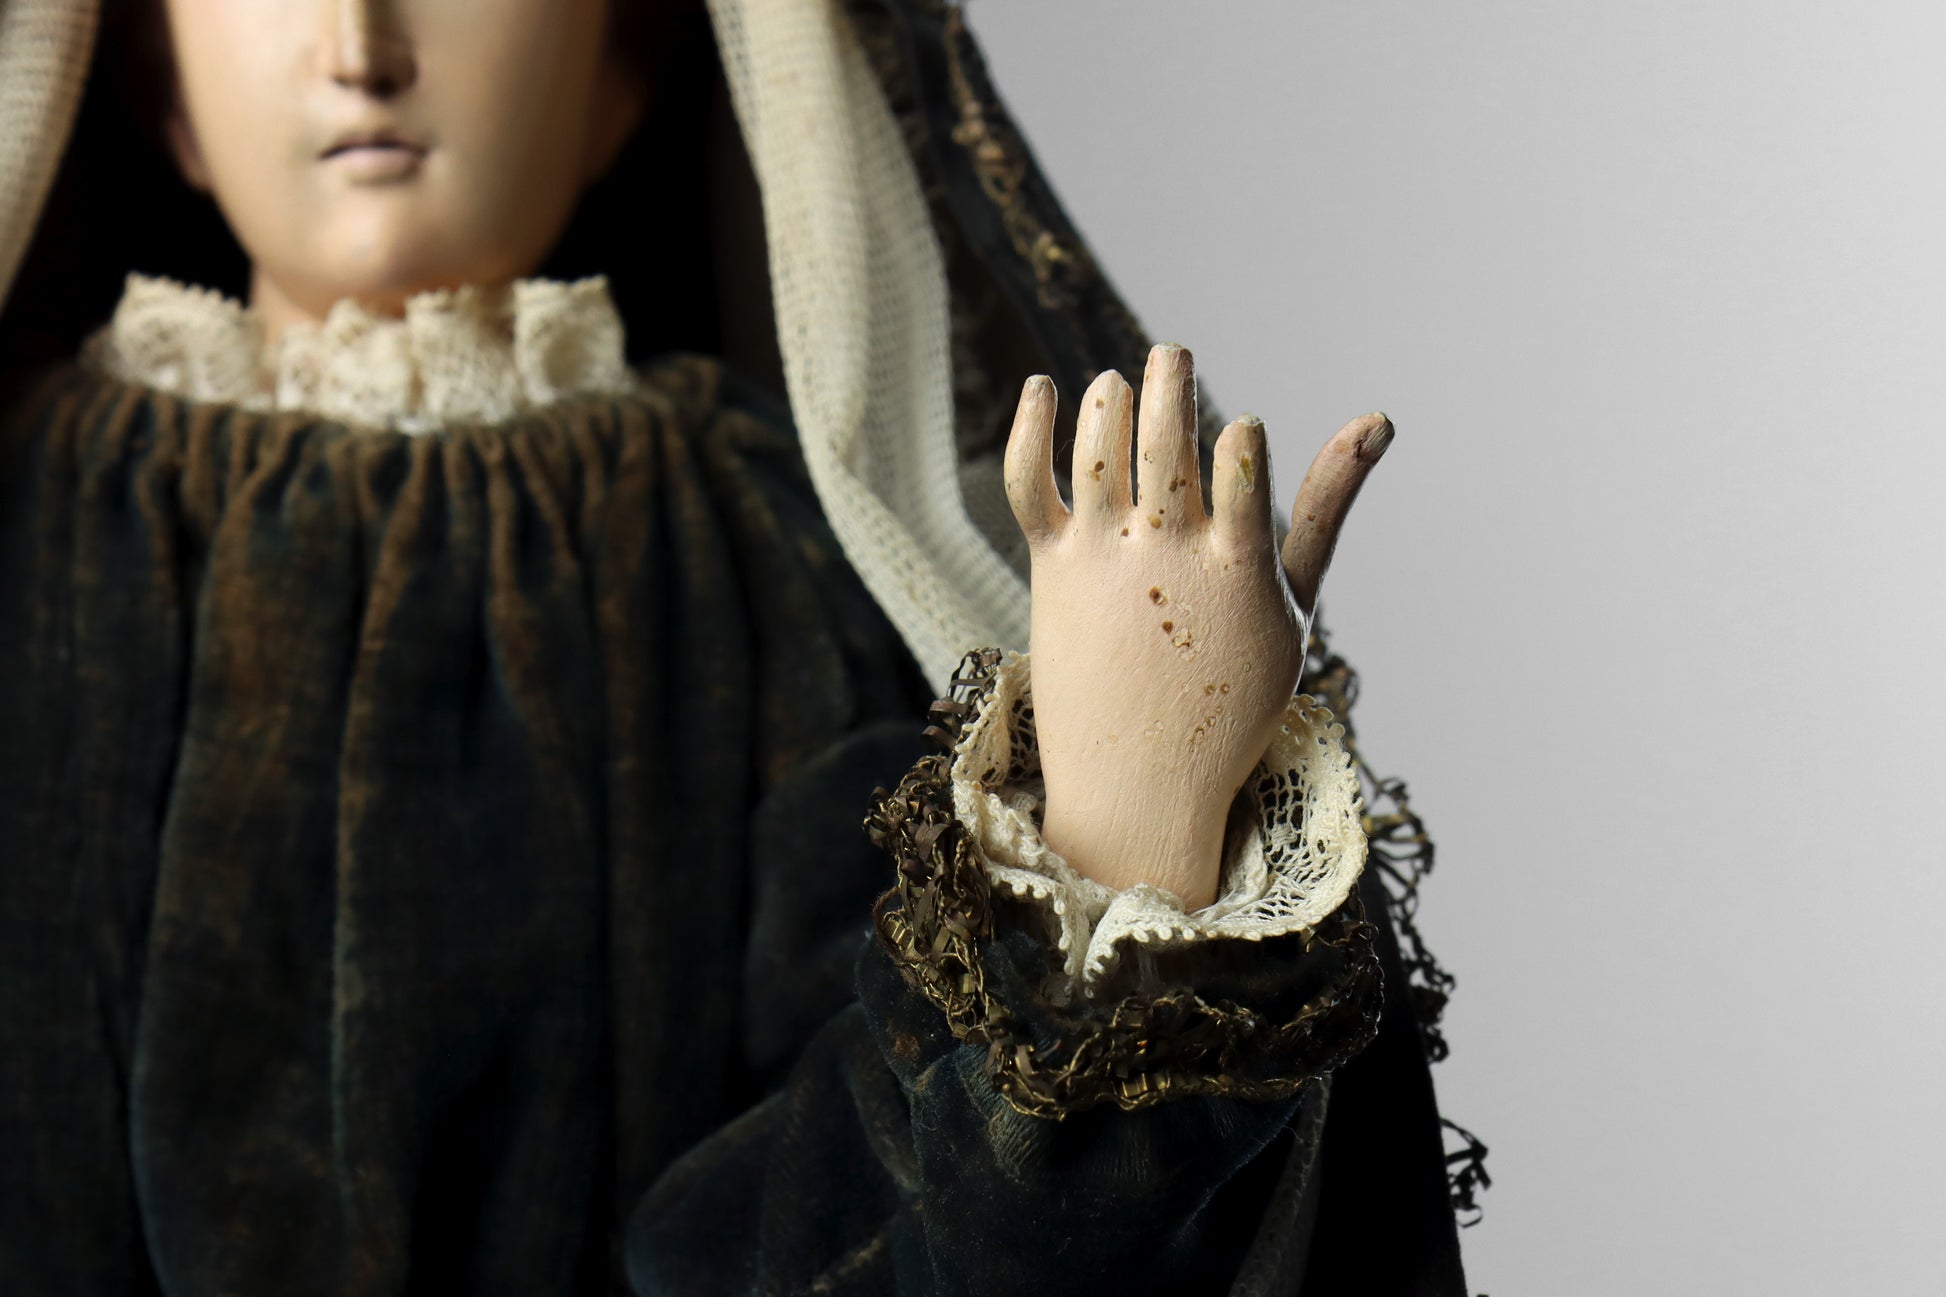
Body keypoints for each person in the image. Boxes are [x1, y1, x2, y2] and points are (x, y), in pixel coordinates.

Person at [0, 0, 1476, 1290]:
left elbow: (847, 1236)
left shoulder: (767, 558)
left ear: (623, 72)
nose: (358, 45)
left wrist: (1124, 836)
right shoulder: (20, 525)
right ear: (151, 79)